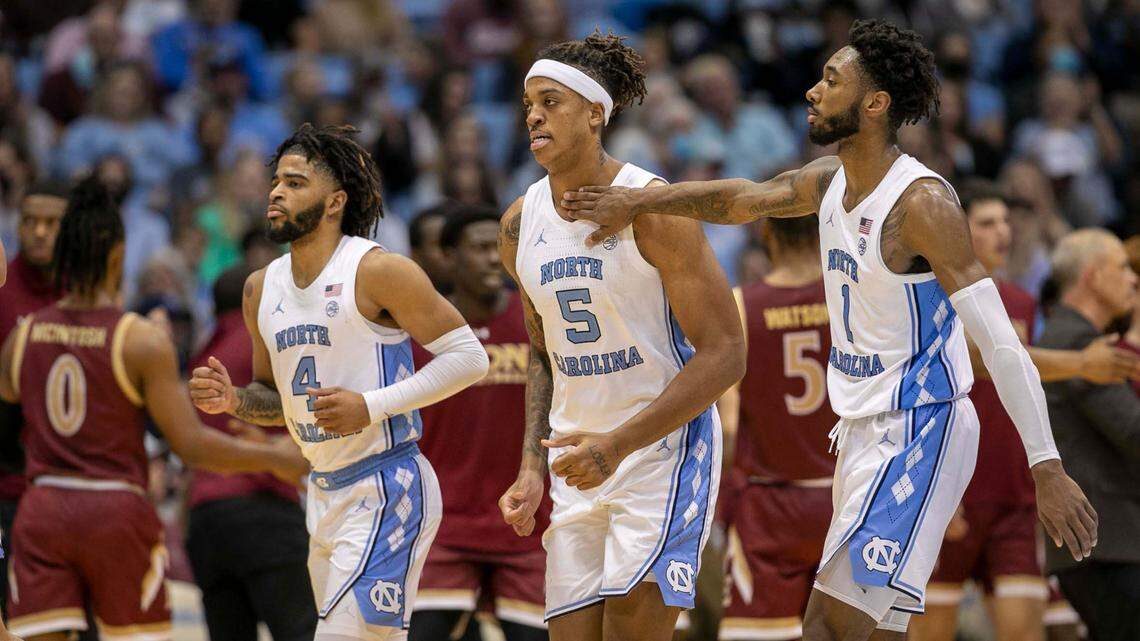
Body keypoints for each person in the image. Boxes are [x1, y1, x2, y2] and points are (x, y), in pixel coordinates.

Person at [560, 19, 1096, 641]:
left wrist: (1047, 466)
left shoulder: (921, 205)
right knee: (876, 631)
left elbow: (1001, 345)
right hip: (862, 433)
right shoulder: (830, 181)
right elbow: (744, 199)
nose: (813, 91)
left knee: (826, 627)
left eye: (831, 80)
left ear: (874, 104)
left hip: (922, 425)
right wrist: (642, 201)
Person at [189, 124, 489, 641]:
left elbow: (469, 358)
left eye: (295, 182)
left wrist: (371, 406)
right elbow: (275, 400)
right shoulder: (260, 288)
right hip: (322, 493)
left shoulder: (377, 271)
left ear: (334, 202)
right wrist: (234, 400)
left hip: (387, 483)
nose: (277, 192)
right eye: (276, 182)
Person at [497, 31, 746, 641]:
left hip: (660, 452)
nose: (533, 114)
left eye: (551, 101)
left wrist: (618, 445)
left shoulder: (654, 206)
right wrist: (532, 465)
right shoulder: (517, 223)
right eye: (528, 103)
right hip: (575, 462)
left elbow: (726, 353)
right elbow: (543, 353)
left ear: (594, 113)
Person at [0, 177, 306, 641]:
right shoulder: (139, 339)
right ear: (118, 256)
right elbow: (193, 446)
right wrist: (274, 456)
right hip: (115, 511)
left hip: (41, 509)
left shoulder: (21, 338)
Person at [912, 181, 1139, 641]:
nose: (1003, 233)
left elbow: (1028, 378)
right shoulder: (932, 298)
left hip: (1014, 493)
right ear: (957, 230)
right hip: (954, 487)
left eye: (1006, 223)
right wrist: (1080, 363)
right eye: (987, 222)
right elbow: (984, 359)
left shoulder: (1020, 300)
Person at [411, 206, 549, 641]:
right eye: (480, 248)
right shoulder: (420, 331)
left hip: (527, 527)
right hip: (442, 528)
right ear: (449, 256)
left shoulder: (539, 325)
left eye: (501, 248)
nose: (494, 259)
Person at [716, 215, 837, 641]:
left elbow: (728, 433)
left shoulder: (740, 305)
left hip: (770, 506)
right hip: (849, 500)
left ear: (767, 233)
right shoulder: (852, 297)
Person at [186, 263, 317, 641]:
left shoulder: (203, 352)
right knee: (301, 633)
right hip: (264, 511)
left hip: (205, 519)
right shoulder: (265, 340)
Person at [1037, 229, 1140, 641]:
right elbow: (1134, 431)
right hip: (1109, 545)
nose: (1133, 279)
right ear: (1094, 276)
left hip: (1101, 545)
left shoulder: (1069, 338)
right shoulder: (1076, 343)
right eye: (1123, 268)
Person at [0, 180, 69, 616]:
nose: (40, 232)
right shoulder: (2, 293)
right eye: (30, 222)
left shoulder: (88, 294)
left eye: (51, 223)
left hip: (69, 489)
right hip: (7, 488)